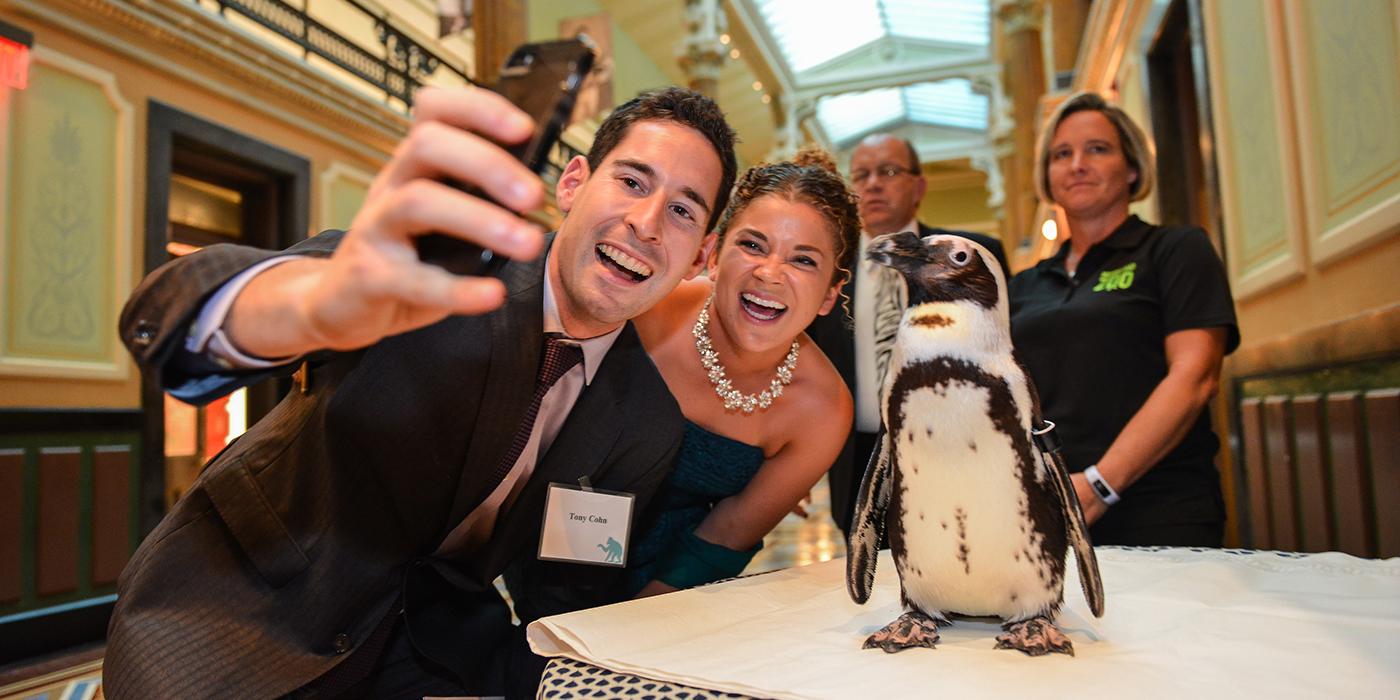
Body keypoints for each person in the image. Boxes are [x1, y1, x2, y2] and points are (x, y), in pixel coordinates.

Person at [103, 86, 737, 699]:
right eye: (631, 181)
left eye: (682, 210)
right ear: (572, 183)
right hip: (231, 613)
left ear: (702, 255)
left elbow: (565, 585)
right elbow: (171, 313)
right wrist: (308, 305)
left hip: (426, 652)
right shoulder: (435, 277)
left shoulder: (646, 423)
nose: (646, 222)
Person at [1008, 91, 1239, 547]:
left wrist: (1098, 485)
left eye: (1097, 148)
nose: (1077, 164)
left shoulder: (1175, 251)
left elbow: (1195, 377)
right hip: (1048, 511)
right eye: (1062, 154)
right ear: (1048, 177)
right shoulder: (1023, 284)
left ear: (1132, 168)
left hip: (1161, 508)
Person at [626, 150, 857, 596]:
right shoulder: (647, 308)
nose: (770, 274)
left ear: (830, 294)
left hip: (674, 582)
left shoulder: (822, 409)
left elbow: (727, 533)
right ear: (713, 255)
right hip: (547, 538)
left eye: (803, 260)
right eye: (752, 245)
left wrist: (636, 620)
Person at [805, 133, 1009, 535]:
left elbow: (1003, 352)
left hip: (956, 448)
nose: (873, 184)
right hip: (857, 459)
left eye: (889, 171)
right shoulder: (823, 268)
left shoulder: (970, 257)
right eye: (861, 175)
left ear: (918, 186)